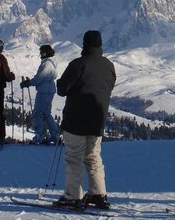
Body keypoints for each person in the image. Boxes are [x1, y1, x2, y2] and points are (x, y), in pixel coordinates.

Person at [53, 30, 116, 210]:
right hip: (97, 120)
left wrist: (61, 84)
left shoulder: (78, 64)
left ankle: (73, 196)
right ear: (100, 45)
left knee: (74, 158)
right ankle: (98, 194)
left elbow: (62, 89)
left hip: (76, 120)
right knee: (94, 157)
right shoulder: (109, 66)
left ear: (84, 45)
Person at [20, 44, 60, 145]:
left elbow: (40, 77)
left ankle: (40, 136)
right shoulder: (51, 63)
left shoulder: (47, 64)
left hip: (44, 90)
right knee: (46, 113)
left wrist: (29, 83)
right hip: (50, 90)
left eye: (42, 51)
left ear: (46, 52)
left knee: (38, 113)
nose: (40, 54)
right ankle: (55, 136)